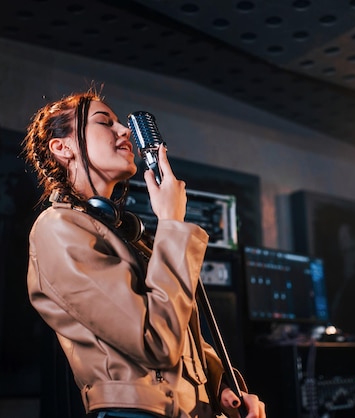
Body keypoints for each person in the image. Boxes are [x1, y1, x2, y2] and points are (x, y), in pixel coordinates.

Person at [22, 88, 266, 418]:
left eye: (121, 123)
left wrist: (221, 387)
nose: (123, 131)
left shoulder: (124, 234)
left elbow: (180, 333)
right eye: (104, 122)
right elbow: (156, 342)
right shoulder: (58, 229)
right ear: (62, 147)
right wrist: (170, 222)